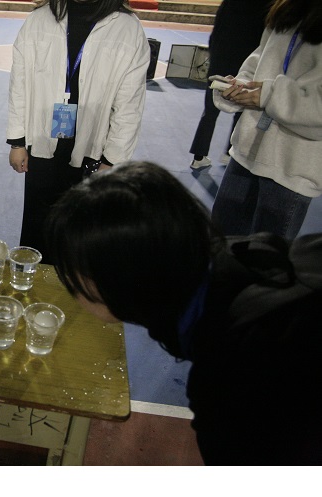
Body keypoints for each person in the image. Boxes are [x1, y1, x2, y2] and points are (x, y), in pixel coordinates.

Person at [44, 161, 322, 464]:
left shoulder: (231, 375)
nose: (67, 280)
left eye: (71, 270)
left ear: (119, 282)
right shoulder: (249, 254)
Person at [6, 0, 150, 264]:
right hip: (42, 143)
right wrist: (17, 142)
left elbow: (130, 104)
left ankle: (70, 283)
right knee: (37, 225)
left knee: (81, 232)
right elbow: (19, 84)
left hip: (93, 151)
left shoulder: (128, 28)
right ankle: (34, 280)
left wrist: (113, 161)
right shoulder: (40, 18)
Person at [209, 0, 322, 239]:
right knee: (220, 246)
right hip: (245, 155)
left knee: (265, 259)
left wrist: (269, 95)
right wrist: (239, 87)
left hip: (291, 171)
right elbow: (257, 62)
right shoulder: (287, 10)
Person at [188, 0, 269, 170]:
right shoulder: (265, 6)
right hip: (246, 68)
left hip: (220, 63)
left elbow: (215, 35)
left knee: (209, 113)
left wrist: (215, 59)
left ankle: (198, 156)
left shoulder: (228, 4)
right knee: (241, 113)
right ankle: (229, 153)